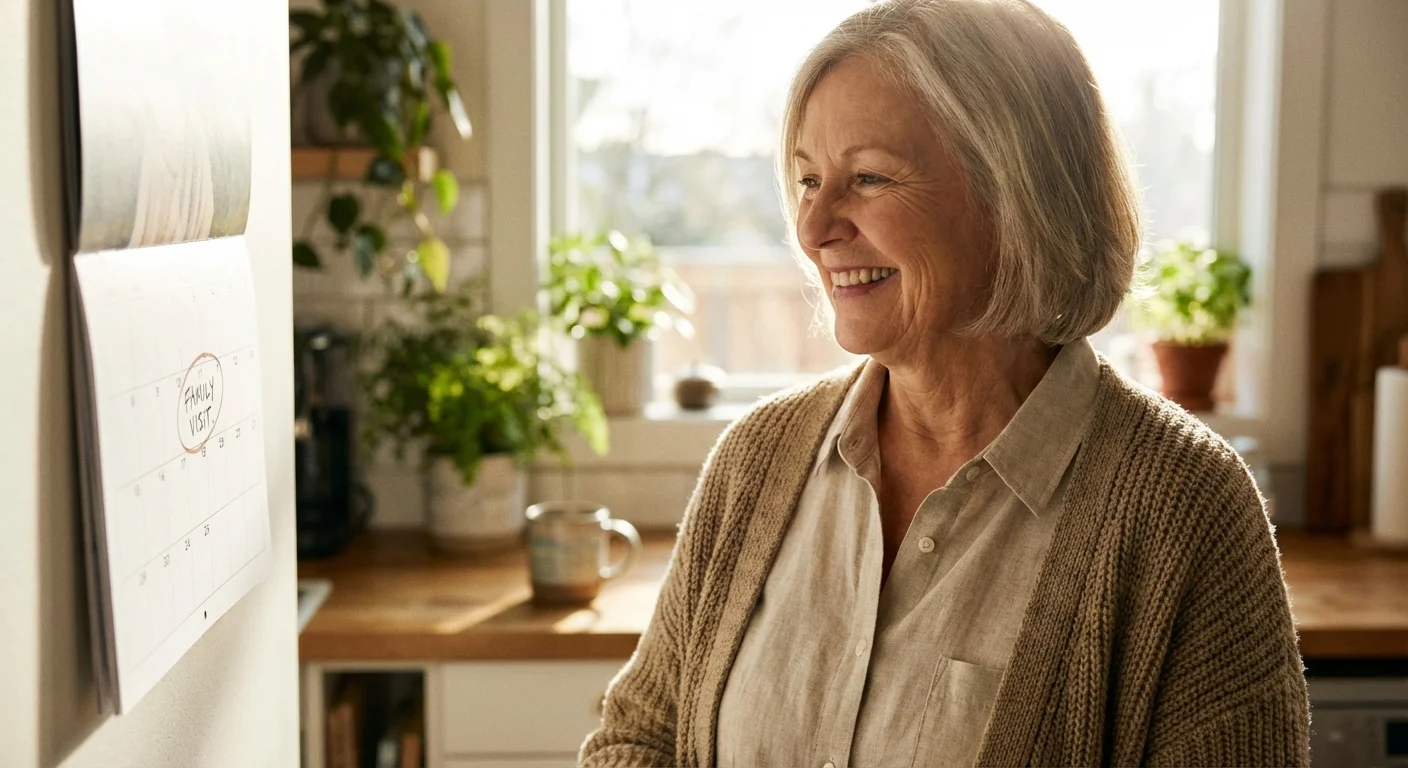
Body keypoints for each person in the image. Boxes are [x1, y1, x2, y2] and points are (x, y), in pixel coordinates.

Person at [578, 0, 1311, 765]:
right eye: (806, 179)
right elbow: (640, 738)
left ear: (1017, 194)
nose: (814, 226)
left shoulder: (1184, 507)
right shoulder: (758, 459)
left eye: (867, 177)